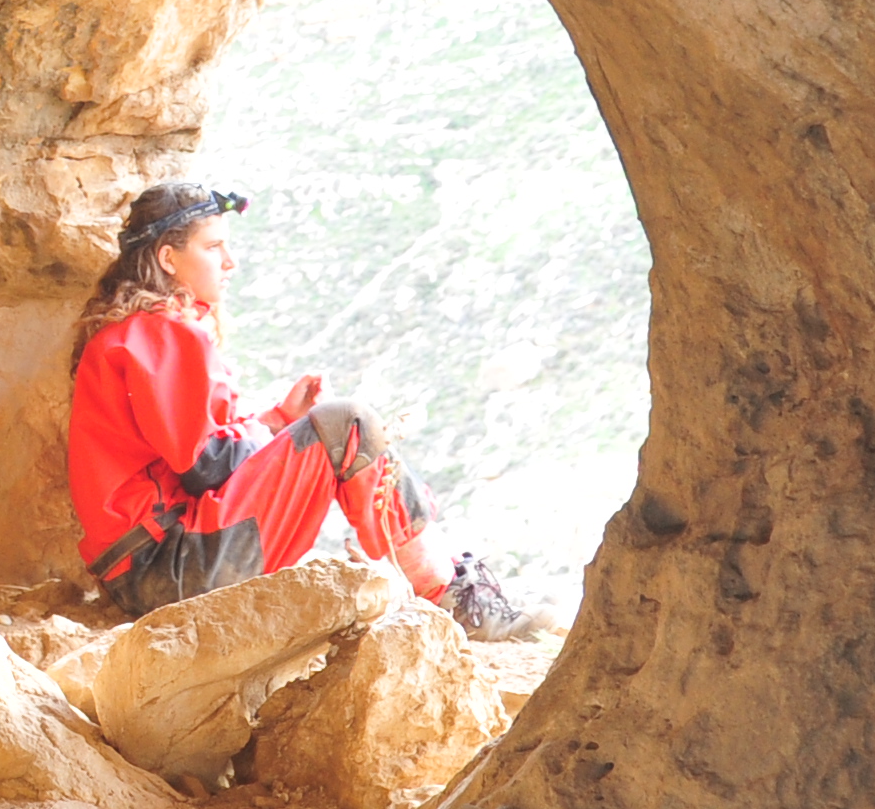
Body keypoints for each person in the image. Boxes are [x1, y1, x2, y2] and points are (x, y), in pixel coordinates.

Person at [65, 180, 555, 639]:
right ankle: (454, 600)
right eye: (213, 247)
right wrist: (296, 431)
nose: (230, 262)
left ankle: (450, 585)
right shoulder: (162, 332)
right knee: (349, 423)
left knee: (341, 428)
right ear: (168, 258)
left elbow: (195, 452)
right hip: (169, 567)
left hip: (148, 568)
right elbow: (206, 466)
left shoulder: (134, 334)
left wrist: (279, 421)